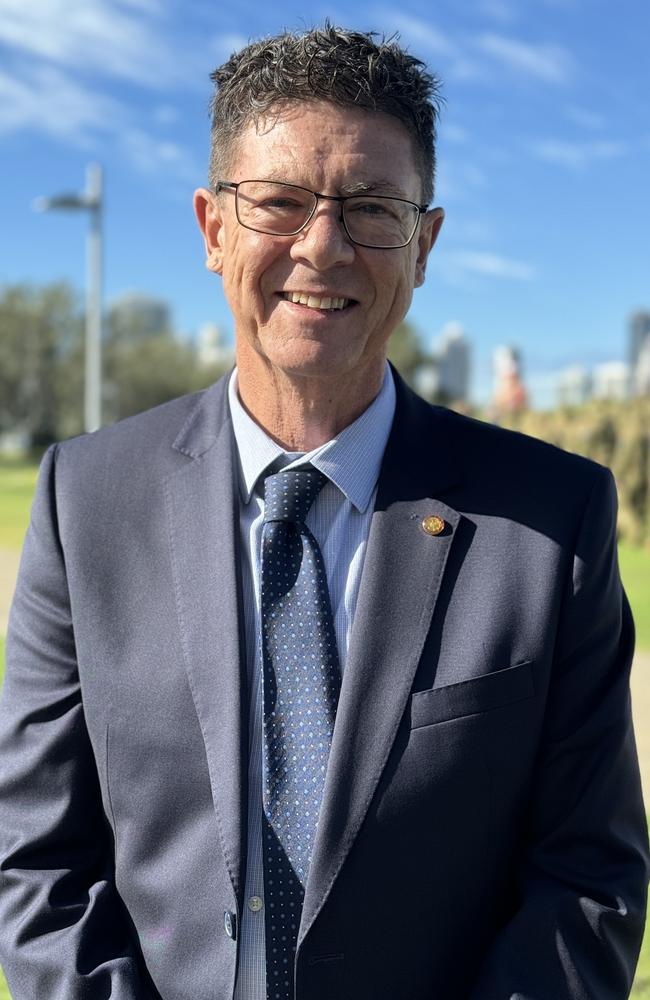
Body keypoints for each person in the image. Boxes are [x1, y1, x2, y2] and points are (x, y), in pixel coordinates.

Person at [0, 23, 647, 1000]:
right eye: (279, 202)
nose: (323, 246)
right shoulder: (83, 502)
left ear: (422, 245)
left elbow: (585, 877)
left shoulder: (547, 521)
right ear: (213, 228)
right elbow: (37, 866)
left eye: (371, 209)